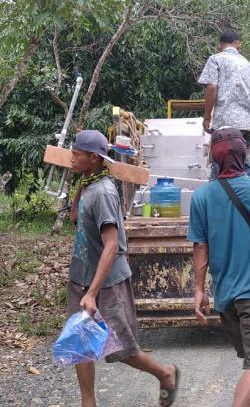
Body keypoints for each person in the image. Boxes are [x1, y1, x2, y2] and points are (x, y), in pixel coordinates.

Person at [69, 130, 180, 407]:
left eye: (76, 154)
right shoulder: (89, 183)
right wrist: (80, 183)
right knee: (81, 344)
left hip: (106, 283)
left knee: (120, 348)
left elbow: (112, 246)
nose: (71, 158)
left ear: (94, 158)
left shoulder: (104, 193)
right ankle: (88, 402)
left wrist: (93, 293)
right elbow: (74, 217)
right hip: (81, 277)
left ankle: (165, 374)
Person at [188, 128, 250, 407]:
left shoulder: (201, 197)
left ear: (213, 159)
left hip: (225, 299)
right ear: (244, 155)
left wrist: (198, 290)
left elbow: (200, 248)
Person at [198, 29, 250, 176]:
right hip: (249, 125)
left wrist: (207, 117)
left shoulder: (216, 59)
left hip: (226, 124)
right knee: (245, 168)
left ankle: (220, 199)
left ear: (220, 45)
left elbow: (212, 87)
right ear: (239, 45)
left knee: (222, 168)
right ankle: (245, 198)